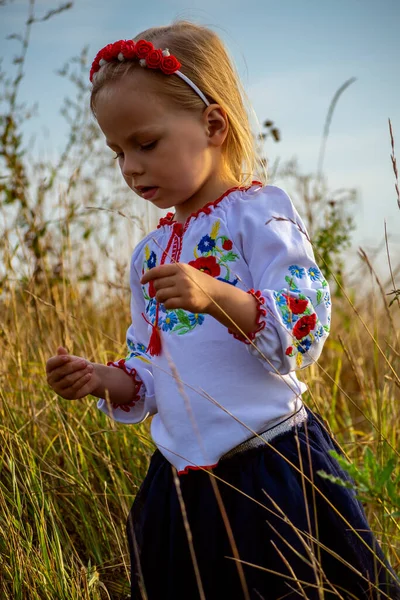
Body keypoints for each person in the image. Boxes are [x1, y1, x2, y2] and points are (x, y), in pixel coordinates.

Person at [46, 21, 400, 600]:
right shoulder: (150, 254)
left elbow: (302, 327)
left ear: (213, 124)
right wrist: (99, 379)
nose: (130, 167)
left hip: (271, 467)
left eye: (146, 143)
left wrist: (214, 294)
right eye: (118, 152)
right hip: (182, 484)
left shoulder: (259, 216)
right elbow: (151, 368)